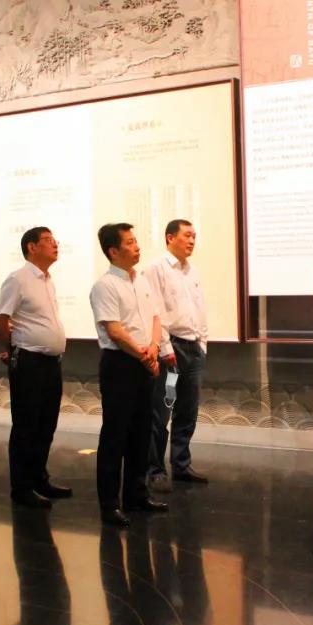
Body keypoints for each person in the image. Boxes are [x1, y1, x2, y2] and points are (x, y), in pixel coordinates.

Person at [89, 223, 169, 527]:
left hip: (143, 360)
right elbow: (114, 330)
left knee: (141, 431)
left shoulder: (142, 280)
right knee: (115, 434)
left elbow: (156, 318)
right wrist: (143, 354)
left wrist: (153, 347)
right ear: (113, 251)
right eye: (130, 242)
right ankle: (109, 504)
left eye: (137, 241)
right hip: (120, 364)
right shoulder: (105, 285)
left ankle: (136, 495)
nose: (137, 246)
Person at [0, 227, 74, 508]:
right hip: (29, 362)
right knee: (26, 425)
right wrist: (12, 348)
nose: (55, 245)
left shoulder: (47, 280)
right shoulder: (18, 279)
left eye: (55, 240)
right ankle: (22, 487)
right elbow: (0, 318)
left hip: (51, 362)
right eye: (48, 241)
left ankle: (39, 478)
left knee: (46, 424)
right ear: (31, 247)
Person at [143, 219, 209, 493]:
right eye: (187, 235)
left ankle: (181, 464)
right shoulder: (156, 268)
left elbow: (199, 309)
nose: (192, 240)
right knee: (163, 409)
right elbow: (154, 311)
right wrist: (165, 348)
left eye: (194, 235)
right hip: (171, 351)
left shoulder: (191, 270)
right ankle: (155, 469)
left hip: (193, 349)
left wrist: (203, 342)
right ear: (170, 238)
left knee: (188, 410)